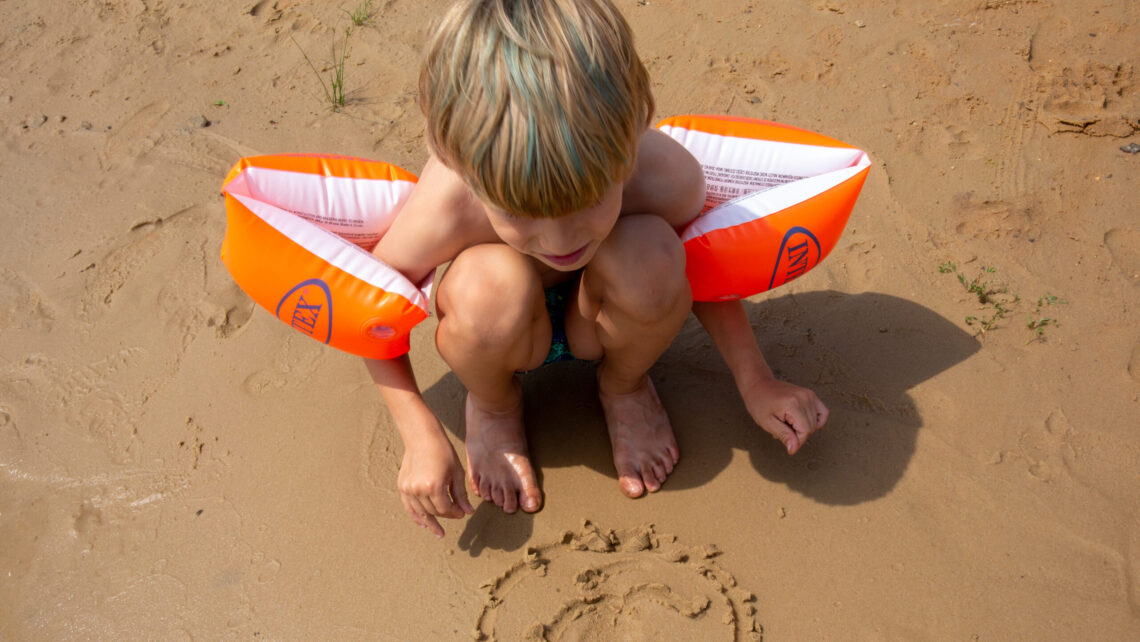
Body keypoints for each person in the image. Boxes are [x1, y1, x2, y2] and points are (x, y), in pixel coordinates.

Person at [367, 0, 828, 538]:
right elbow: (372, 316)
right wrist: (418, 431)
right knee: (484, 288)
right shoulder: (447, 206)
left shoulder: (666, 178)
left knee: (654, 254)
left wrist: (757, 380)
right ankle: (494, 405)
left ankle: (625, 387)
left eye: (588, 203)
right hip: (502, 325)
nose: (561, 242)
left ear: (631, 138)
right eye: (518, 213)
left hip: (606, 313)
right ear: (454, 158)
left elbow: (704, 268)